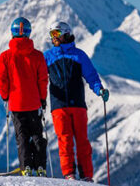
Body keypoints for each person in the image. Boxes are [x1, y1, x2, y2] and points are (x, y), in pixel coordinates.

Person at [44, 21, 109, 182]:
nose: (53, 38)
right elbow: (37, 77)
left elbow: (91, 76)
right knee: (64, 140)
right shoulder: (47, 56)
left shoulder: (79, 55)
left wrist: (99, 89)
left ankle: (86, 175)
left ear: (65, 34)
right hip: (59, 105)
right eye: (52, 34)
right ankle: (69, 174)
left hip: (78, 105)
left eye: (56, 34)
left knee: (82, 141)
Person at [0, 17, 49, 177]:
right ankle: (40, 166)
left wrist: (5, 96)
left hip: (16, 104)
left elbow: (2, 79)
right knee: (37, 135)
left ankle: (26, 167)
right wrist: (42, 99)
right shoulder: (37, 56)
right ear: (28, 32)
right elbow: (43, 79)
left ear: (12, 33)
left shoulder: (5, 56)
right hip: (33, 103)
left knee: (22, 137)